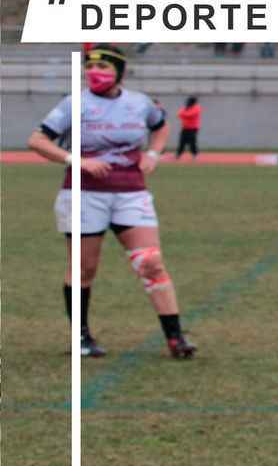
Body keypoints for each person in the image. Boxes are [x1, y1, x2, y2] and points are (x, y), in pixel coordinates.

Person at [27, 45, 198, 359]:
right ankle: (82, 338)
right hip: (84, 194)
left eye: (104, 68)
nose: (95, 74)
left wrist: (153, 154)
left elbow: (160, 126)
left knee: (151, 263)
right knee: (84, 269)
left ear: (119, 72)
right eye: (90, 68)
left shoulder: (139, 103)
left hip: (131, 192)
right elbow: (37, 140)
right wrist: (76, 160)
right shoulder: (73, 103)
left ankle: (176, 338)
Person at [174, 96, 202, 160]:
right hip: (185, 128)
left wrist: (185, 114)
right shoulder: (186, 107)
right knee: (182, 142)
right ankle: (178, 155)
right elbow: (179, 114)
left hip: (193, 128)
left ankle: (194, 155)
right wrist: (185, 113)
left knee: (193, 142)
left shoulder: (197, 107)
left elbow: (191, 114)